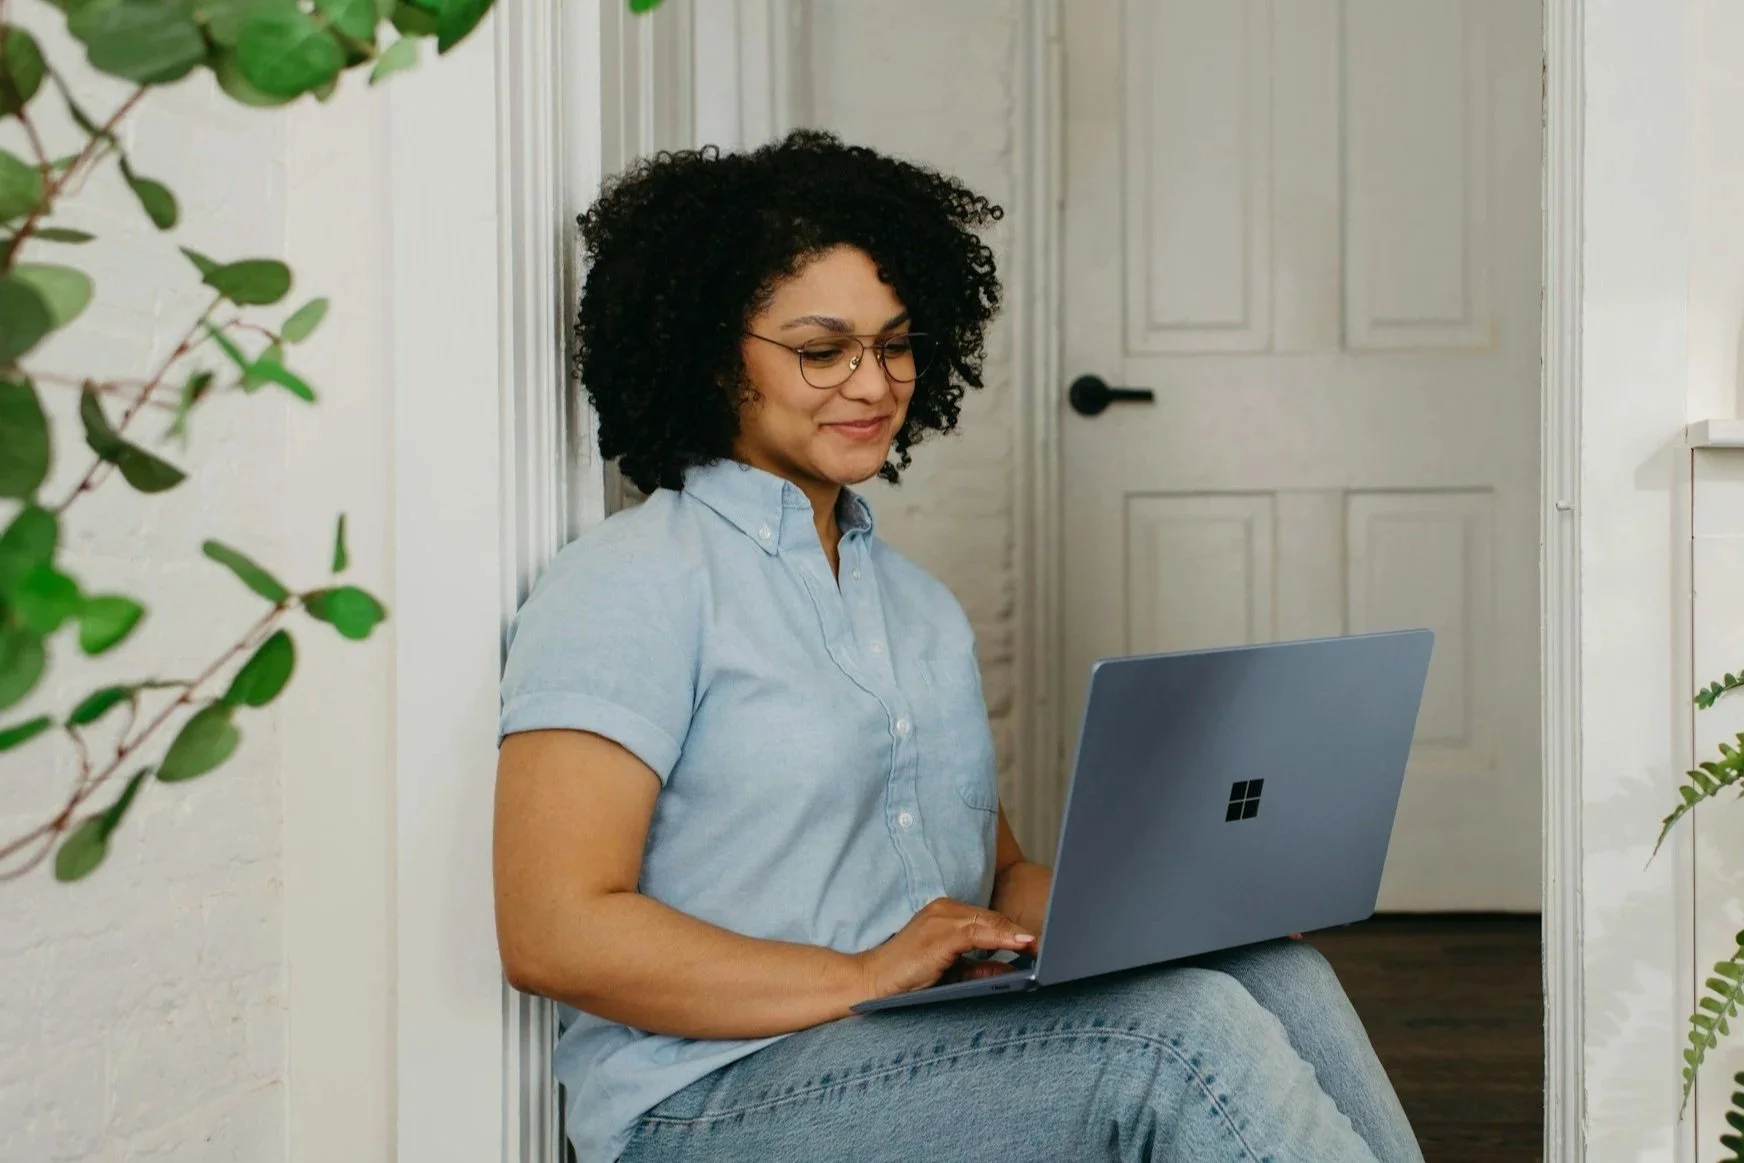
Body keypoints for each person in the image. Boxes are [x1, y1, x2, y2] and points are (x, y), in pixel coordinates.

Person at [493, 130, 1424, 1163]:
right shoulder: (631, 582)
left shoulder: (917, 605)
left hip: (905, 1043)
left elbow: (1001, 873)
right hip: (710, 1095)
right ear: (714, 357)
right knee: (1174, 1039)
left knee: (1269, 974)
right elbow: (553, 927)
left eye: (894, 343)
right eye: (821, 348)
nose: (872, 382)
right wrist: (859, 975)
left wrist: (1177, 918)